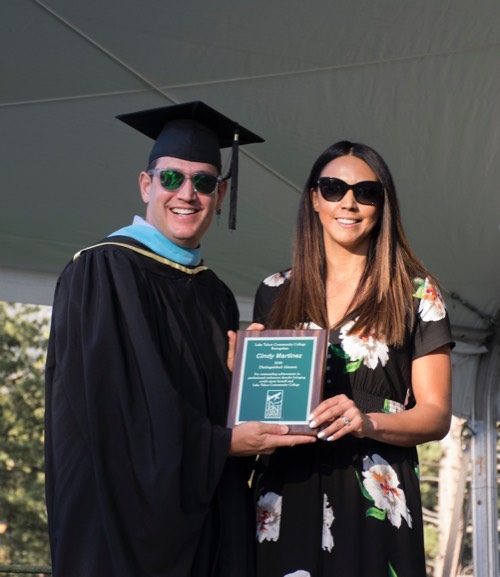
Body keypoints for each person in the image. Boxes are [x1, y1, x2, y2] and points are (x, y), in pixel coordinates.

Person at [44, 101, 315, 577]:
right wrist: (223, 444)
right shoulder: (103, 270)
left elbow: (206, 409)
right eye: (171, 178)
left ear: (221, 192)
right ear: (146, 184)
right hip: (119, 528)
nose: (186, 193)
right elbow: (116, 415)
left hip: (207, 518)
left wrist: (242, 387)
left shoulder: (214, 294)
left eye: (204, 182)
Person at [251, 141, 453, 577]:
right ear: (314, 199)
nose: (349, 202)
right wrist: (238, 376)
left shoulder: (417, 293)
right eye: (333, 188)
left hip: (374, 495)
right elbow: (263, 403)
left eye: (366, 192)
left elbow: (436, 416)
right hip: (288, 489)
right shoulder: (274, 291)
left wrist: (366, 422)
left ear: (383, 205)